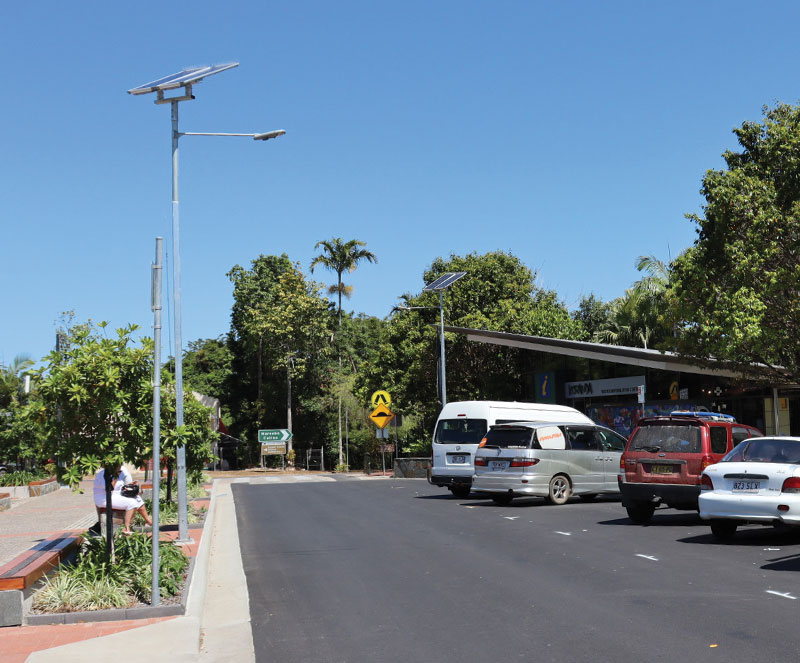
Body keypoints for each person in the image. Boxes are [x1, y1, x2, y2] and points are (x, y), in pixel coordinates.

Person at [93, 465, 152, 534]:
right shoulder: (103, 474)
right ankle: (127, 527)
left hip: (114, 495)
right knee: (131, 503)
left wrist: (130, 484)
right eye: (118, 465)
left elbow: (119, 487)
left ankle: (148, 521)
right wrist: (116, 476)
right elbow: (109, 488)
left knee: (137, 498)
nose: (120, 467)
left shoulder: (120, 472)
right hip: (103, 498)